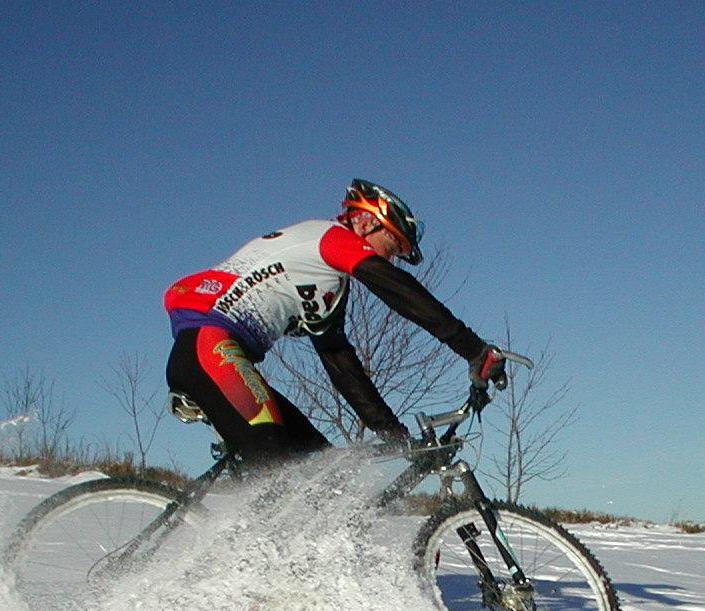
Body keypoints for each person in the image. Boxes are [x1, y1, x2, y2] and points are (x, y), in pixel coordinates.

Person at [163, 179, 509, 468]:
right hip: (207, 341)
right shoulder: (330, 237)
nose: (390, 258)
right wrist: (473, 349)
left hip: (220, 354)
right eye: (392, 244)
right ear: (365, 222)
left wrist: (392, 434)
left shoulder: (326, 284)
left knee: (321, 468)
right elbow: (400, 292)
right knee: (272, 463)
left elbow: (340, 362)